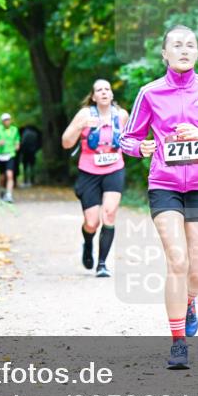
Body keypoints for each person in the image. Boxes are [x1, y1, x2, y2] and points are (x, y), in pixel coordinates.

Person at [120, 25, 198, 370]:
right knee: (177, 261)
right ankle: (178, 343)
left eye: (191, 45)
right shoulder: (150, 93)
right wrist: (140, 147)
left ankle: (190, 300)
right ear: (165, 54)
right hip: (165, 184)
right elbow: (127, 139)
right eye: (177, 45)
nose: (184, 50)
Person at [61, 79, 130, 278]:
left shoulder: (122, 115)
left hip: (114, 169)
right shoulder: (84, 114)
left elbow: (130, 140)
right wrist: (80, 126)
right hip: (89, 171)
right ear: (93, 96)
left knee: (109, 214)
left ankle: (102, 264)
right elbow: (66, 143)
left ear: (112, 94)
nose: (104, 92)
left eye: (107, 89)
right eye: (99, 90)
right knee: (92, 223)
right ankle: (88, 243)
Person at [0, 112, 20, 203]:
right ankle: (2, 190)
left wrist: (17, 144)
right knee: (2, 176)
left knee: (9, 175)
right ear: (2, 121)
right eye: (5, 120)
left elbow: (17, 139)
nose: (7, 122)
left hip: (10, 154)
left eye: (8, 120)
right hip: (0, 155)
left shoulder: (14, 129)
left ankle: (9, 194)